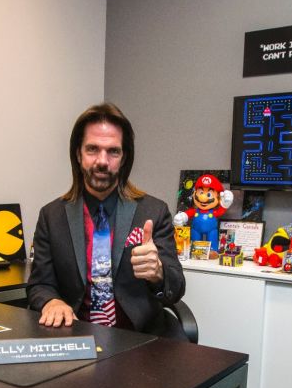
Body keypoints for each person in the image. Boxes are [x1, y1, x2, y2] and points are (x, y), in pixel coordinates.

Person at [27, 103, 186, 333]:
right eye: (92, 149)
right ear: (78, 154)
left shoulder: (153, 211)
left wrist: (158, 273)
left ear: (123, 158)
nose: (102, 161)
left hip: (140, 340)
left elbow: (177, 286)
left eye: (113, 151)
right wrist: (52, 301)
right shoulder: (52, 216)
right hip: (77, 335)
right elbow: (40, 284)